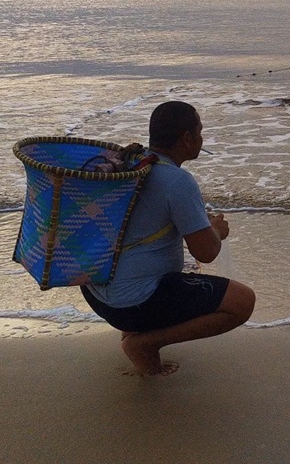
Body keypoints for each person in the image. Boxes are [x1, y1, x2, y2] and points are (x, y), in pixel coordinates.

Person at [80, 100, 256, 376]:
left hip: (95, 293)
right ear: (187, 138)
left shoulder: (130, 166)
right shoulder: (177, 181)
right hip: (132, 305)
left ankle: (137, 337)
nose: (201, 138)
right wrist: (217, 231)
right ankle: (143, 344)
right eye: (200, 131)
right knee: (242, 302)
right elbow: (206, 253)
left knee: (147, 267)